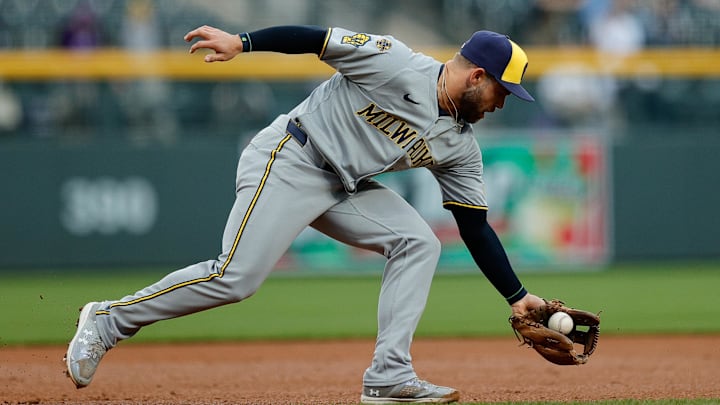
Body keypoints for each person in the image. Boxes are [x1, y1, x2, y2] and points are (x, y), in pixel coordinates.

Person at [65, 24, 546, 404]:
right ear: (477, 75)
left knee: (418, 241)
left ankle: (389, 377)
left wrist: (517, 296)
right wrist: (242, 42)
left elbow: (474, 226)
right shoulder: (395, 61)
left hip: (345, 186)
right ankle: (107, 320)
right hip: (291, 157)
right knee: (236, 278)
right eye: (501, 91)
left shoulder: (460, 146)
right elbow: (317, 39)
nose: (502, 103)